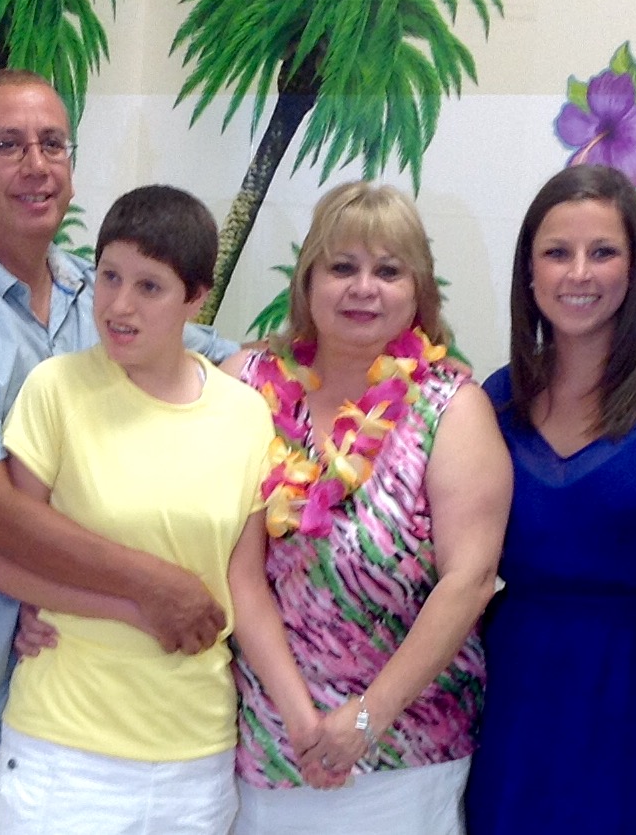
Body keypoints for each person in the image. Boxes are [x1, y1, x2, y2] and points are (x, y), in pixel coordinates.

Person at [0, 71, 235, 835]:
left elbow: (228, 362)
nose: (37, 163)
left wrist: (395, 366)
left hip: (57, 711)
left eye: (52, 143)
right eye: (7, 144)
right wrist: (155, 587)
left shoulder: (89, 298)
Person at [0, 185, 320, 833]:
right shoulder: (56, 388)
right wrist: (138, 607)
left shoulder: (244, 412)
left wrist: (302, 718)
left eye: (149, 286)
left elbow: (242, 585)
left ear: (197, 296)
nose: (120, 305)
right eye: (109, 276)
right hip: (65, 750)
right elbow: (3, 558)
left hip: (196, 757)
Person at [216, 180, 513, 834]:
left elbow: (467, 582)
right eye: (342, 266)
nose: (363, 287)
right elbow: (237, 566)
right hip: (271, 742)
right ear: (308, 281)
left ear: (419, 290)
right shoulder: (245, 383)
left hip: (406, 751)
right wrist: (299, 718)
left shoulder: (452, 407)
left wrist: (363, 719)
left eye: (388, 270)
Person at [463, 164, 636, 834]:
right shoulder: (493, 398)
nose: (579, 273)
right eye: (557, 253)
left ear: (633, 270)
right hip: (513, 697)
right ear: (529, 272)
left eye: (603, 252)